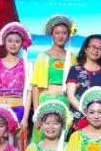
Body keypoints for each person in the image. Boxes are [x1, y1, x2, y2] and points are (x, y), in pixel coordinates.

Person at [0, 22, 33, 151]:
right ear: (4, 42)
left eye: (17, 41)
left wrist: (25, 118)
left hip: (19, 111)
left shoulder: (27, 65)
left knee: (17, 149)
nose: (13, 44)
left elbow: (29, 93)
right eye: (10, 41)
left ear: (22, 43)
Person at [30, 15, 77, 143]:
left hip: (64, 101)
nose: (60, 36)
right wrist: (36, 111)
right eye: (57, 33)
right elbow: (35, 86)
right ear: (52, 35)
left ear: (68, 35)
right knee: (41, 137)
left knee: (61, 137)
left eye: (64, 33)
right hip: (46, 99)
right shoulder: (43, 57)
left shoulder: (73, 57)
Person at [66, 34, 101, 132]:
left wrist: (98, 115)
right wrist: (87, 113)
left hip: (100, 120)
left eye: (100, 48)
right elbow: (70, 96)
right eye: (93, 47)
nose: (96, 51)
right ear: (85, 49)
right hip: (79, 117)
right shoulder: (75, 70)